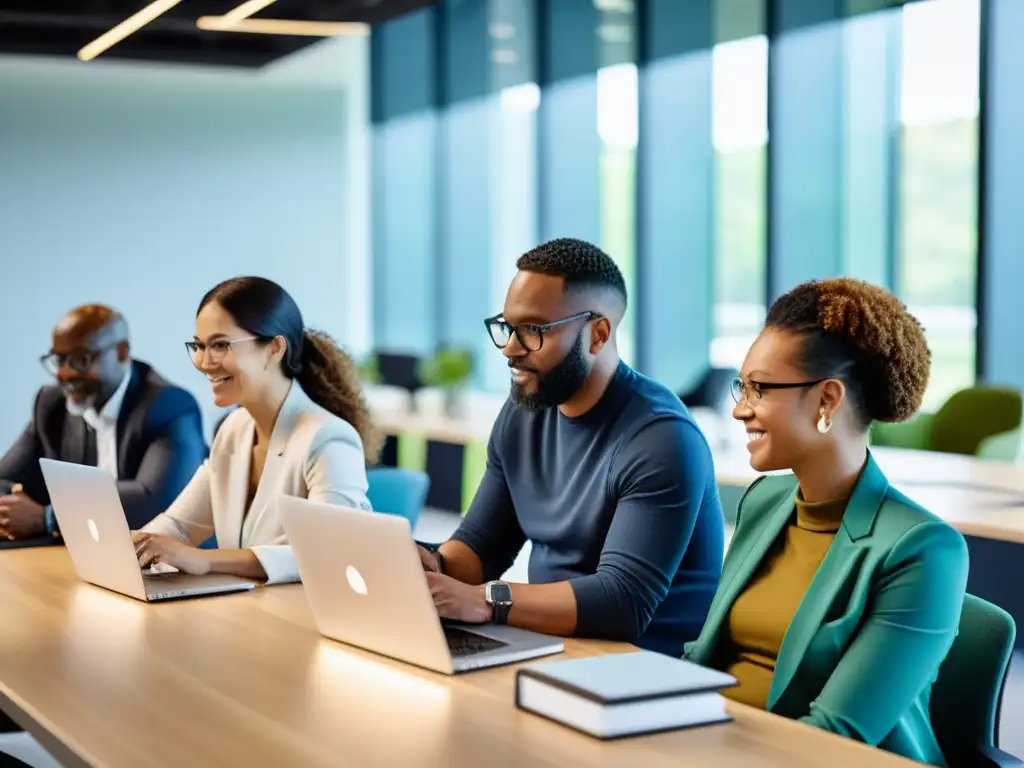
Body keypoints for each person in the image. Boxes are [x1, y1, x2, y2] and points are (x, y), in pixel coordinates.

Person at [684, 278, 968, 765]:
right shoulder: (766, 502)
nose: (739, 409)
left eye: (760, 388)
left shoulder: (923, 550)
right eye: (742, 386)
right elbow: (702, 659)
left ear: (827, 400)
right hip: (715, 743)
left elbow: (838, 737)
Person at [417, 238, 724, 656]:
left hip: (644, 665)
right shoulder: (525, 410)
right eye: (508, 327)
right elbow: (481, 546)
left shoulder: (662, 438)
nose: (511, 348)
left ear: (598, 334)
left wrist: (487, 600)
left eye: (534, 330)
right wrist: (430, 564)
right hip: (552, 644)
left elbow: (621, 601)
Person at [133, 277, 380, 584]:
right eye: (199, 345)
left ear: (274, 348)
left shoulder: (328, 438)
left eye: (220, 345)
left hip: (305, 615)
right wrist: (134, 546)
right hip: (248, 610)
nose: (203, 361)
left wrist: (202, 560)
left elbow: (324, 551)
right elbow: (180, 526)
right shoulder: (234, 429)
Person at [0, 304, 206, 545]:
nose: (63, 373)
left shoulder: (169, 405)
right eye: (59, 359)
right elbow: (6, 480)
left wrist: (49, 517)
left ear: (121, 352)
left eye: (80, 359)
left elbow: (153, 501)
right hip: (87, 555)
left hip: (174, 565)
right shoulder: (52, 404)